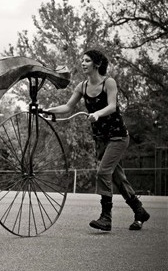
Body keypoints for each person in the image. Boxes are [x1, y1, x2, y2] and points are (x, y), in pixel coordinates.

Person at [45, 49, 150, 231]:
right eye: (82, 60)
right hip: (101, 139)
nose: (83, 63)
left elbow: (112, 106)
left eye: (87, 61)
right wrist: (47, 110)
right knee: (117, 178)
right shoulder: (82, 87)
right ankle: (139, 211)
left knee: (103, 172)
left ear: (97, 64)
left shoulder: (108, 82)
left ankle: (106, 218)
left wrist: (97, 114)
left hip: (118, 137)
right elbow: (68, 107)